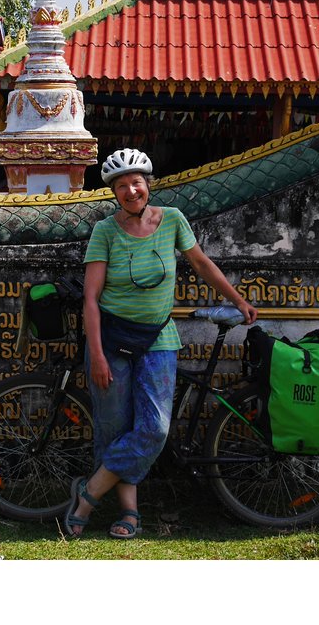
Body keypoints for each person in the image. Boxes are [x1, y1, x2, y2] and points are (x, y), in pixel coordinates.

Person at [64, 147, 258, 539]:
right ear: (114, 192)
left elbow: (201, 263)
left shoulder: (172, 220)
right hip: (112, 340)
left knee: (153, 427)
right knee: (115, 427)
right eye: (122, 186)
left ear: (148, 185)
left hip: (158, 338)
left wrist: (237, 299)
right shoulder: (105, 231)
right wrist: (97, 354)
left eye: (136, 183)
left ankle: (86, 495)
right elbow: (90, 297)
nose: (131, 191)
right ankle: (129, 513)